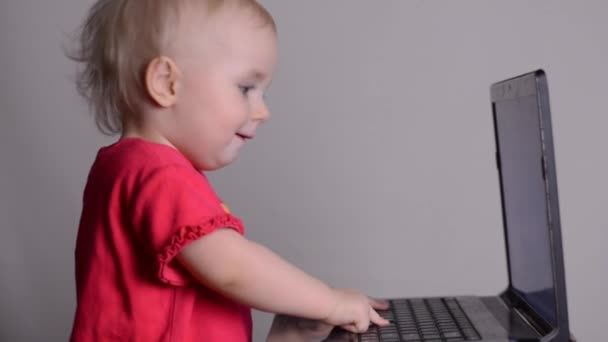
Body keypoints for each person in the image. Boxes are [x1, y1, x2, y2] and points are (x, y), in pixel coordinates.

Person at [68, 0, 390, 340]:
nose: (262, 111)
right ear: (166, 83)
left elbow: (188, 309)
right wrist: (329, 302)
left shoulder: (123, 166)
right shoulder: (159, 174)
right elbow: (232, 269)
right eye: (246, 88)